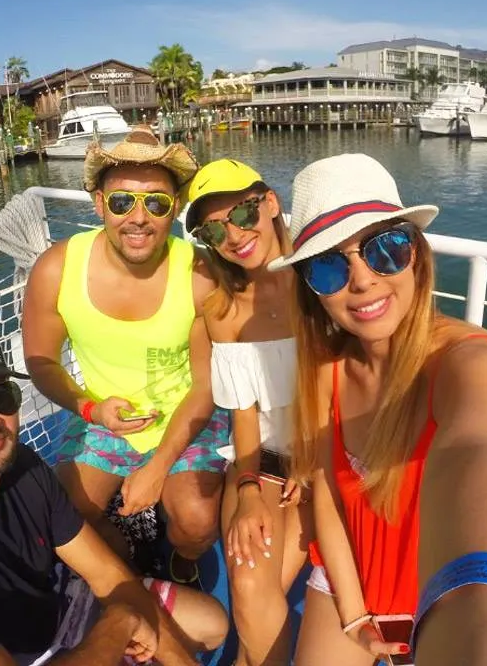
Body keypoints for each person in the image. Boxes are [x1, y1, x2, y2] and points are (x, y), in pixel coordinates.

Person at [268, 154, 487, 666]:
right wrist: (354, 617)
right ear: (310, 291)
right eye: (329, 265)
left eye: (384, 249)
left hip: (439, 589)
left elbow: (471, 452)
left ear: (417, 253)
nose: (363, 280)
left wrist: (485, 621)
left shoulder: (469, 362)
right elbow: (326, 494)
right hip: (349, 579)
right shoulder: (325, 370)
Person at [0, 316, 227, 666]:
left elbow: (109, 576)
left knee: (211, 623)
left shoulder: (22, 466)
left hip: (60, 610)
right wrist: (120, 626)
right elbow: (122, 612)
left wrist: (152, 639)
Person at [22, 130, 228, 584]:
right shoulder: (57, 269)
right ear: (98, 204)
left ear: (174, 207)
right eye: (122, 202)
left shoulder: (198, 273)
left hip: (184, 414)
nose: (139, 218)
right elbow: (41, 361)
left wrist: (157, 468)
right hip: (100, 414)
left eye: (156, 203)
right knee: (58, 518)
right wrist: (91, 408)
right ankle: (126, 559)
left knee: (197, 523)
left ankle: (182, 561)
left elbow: (206, 385)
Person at [184, 159, 312, 666]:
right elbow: (244, 413)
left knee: (256, 593)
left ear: (271, 202)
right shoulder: (224, 310)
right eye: (214, 228)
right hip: (261, 459)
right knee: (249, 576)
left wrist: (314, 460)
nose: (234, 234)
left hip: (322, 458)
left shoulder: (321, 280)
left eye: (242, 212)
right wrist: (249, 488)